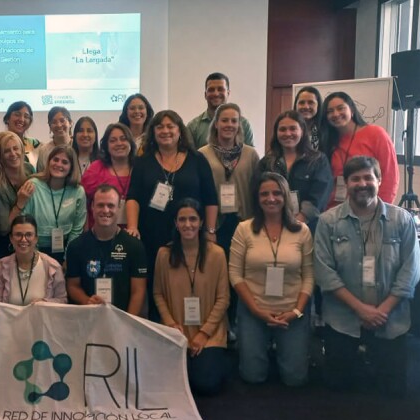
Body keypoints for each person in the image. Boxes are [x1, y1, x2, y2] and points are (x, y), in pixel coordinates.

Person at [314, 156, 420, 397]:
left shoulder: (402, 220)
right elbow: (324, 272)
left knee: (393, 393)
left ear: (379, 180)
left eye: (367, 177)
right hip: (344, 318)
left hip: (389, 319)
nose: (362, 184)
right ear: (346, 184)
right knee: (337, 387)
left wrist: (381, 310)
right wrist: (361, 309)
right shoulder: (328, 221)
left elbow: (410, 272)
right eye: (355, 179)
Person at [126, 110, 219, 322]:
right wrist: (132, 226)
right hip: (152, 235)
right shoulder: (143, 162)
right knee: (156, 286)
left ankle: (191, 330)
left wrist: (211, 231)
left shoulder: (197, 159)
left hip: (190, 235)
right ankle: (160, 328)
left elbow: (211, 198)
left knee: (188, 282)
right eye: (160, 127)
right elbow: (133, 197)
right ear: (153, 132)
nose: (165, 131)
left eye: (170, 126)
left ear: (180, 131)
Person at [229, 173, 314, 386]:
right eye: (264, 194)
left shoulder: (302, 231)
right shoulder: (244, 229)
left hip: (292, 311)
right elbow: (235, 275)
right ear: (257, 198)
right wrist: (257, 311)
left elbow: (309, 276)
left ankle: (285, 351)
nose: (271, 198)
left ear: (285, 196)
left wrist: (295, 312)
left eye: (277, 193)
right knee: (253, 376)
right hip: (253, 311)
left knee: (295, 379)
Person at [154, 198, 230, 395]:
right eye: (182, 219)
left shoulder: (217, 254)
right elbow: (158, 293)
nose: (188, 224)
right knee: (173, 384)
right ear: (175, 223)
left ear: (202, 222)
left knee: (206, 384)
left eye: (193, 219)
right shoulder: (164, 254)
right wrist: (170, 324)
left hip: (209, 333)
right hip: (176, 332)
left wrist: (204, 333)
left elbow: (223, 299)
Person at [66, 185, 147, 315]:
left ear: (119, 208)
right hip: (88, 319)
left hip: (123, 320)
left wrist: (127, 323)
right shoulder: (76, 246)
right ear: (92, 207)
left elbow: (138, 291)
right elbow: (72, 285)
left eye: (111, 205)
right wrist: (87, 301)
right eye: (100, 205)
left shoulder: (134, 246)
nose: (105, 210)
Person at [256, 110, 333, 232]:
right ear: (276, 133)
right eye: (282, 129)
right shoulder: (266, 162)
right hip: (273, 226)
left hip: (308, 228)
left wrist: (298, 221)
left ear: (302, 131)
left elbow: (319, 196)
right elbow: (258, 194)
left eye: (293, 129)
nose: (288, 133)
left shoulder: (318, 160)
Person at [319, 91, 399, 208]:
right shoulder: (328, 141)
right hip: (335, 212)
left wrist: (381, 211)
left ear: (352, 110)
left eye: (340, 108)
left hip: (368, 209)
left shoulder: (376, 134)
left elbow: (390, 176)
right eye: (330, 111)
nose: (335, 114)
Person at [198, 103, 259, 253]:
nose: (229, 125)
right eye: (224, 120)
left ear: (239, 125)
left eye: (234, 121)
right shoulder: (202, 154)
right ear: (216, 124)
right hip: (215, 223)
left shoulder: (251, 154)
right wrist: (208, 229)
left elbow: (258, 189)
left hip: (245, 220)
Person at [13, 145, 87, 263]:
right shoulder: (32, 186)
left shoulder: (78, 191)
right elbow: (24, 223)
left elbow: (77, 229)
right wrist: (36, 258)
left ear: (71, 167)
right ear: (48, 162)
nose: (59, 164)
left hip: (67, 249)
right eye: (55, 159)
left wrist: (68, 258)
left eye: (64, 162)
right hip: (34, 249)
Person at [0, 215, 67, 305]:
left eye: (29, 235)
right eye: (18, 234)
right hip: (10, 319)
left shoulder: (53, 267)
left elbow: (63, 301)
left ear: (36, 238)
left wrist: (45, 303)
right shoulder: (2, 266)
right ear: (11, 238)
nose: (23, 239)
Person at [0, 131, 36, 259]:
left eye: (16, 148)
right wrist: (20, 203)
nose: (13, 154)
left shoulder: (29, 169)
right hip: (5, 246)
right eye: (7, 151)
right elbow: (4, 227)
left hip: (30, 240)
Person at [81, 123, 135, 229]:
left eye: (123, 139)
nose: (119, 143)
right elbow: (83, 203)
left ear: (130, 142)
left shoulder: (140, 168)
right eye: (113, 140)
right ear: (106, 145)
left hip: (134, 233)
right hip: (100, 233)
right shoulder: (95, 169)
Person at [187, 72, 254, 149]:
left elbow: (250, 157)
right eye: (211, 90)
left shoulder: (244, 124)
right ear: (205, 95)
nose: (216, 93)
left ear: (228, 93)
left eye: (220, 89)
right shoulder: (193, 127)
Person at [3, 101, 40, 167]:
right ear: (7, 118)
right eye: (17, 114)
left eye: (26, 116)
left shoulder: (36, 145)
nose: (22, 119)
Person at [36, 106, 73, 172]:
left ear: (70, 123)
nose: (58, 125)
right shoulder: (44, 150)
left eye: (62, 121)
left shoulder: (78, 146)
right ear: (50, 126)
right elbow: (40, 177)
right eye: (54, 122)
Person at [293, 86, 323, 151]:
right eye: (301, 103)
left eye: (311, 102)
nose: (306, 107)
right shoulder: (289, 129)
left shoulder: (326, 130)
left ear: (318, 106)